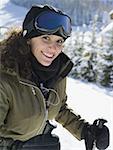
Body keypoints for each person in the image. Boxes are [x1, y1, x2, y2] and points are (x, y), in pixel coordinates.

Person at [0, 4, 109, 150]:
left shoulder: (55, 72)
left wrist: (85, 130)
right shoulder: (5, 79)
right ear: (28, 39)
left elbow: (58, 108)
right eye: (46, 38)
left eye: (59, 41)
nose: (54, 48)